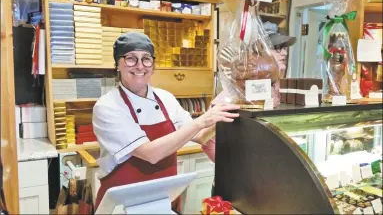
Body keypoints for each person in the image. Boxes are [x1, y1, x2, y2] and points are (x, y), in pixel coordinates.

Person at [92, 32, 240, 210]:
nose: (140, 66)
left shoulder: (165, 98)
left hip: (161, 200)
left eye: (146, 59)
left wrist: (224, 113)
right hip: (122, 205)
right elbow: (150, 154)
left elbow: (200, 136)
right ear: (118, 64)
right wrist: (202, 120)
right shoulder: (107, 106)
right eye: (131, 58)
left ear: (153, 65)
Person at [203, 30, 297, 194]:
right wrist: (241, 170)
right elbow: (208, 143)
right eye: (277, 48)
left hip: (274, 186)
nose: (284, 52)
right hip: (237, 187)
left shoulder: (285, 91)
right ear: (258, 57)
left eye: (285, 48)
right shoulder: (230, 98)